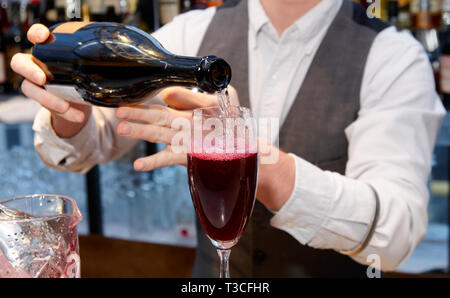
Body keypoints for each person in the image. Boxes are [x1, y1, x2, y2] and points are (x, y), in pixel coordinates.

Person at [11, 0, 445, 277]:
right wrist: (70, 110)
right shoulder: (190, 33)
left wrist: (261, 162)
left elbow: (397, 233)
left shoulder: (392, 56)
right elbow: (90, 143)